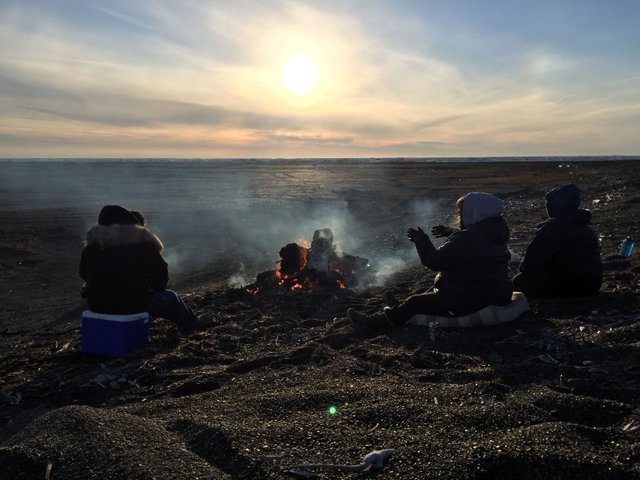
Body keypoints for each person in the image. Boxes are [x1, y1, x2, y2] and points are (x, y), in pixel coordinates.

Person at [348, 192, 513, 328]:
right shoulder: (495, 232)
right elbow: (475, 247)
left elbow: (434, 261)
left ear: (473, 213)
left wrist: (421, 240)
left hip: (471, 299)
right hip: (497, 292)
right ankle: (400, 307)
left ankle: (371, 323)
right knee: (437, 287)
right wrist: (452, 232)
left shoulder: (465, 240)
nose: (459, 216)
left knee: (414, 302)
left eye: (461, 212)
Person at [80, 205, 198, 332]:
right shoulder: (144, 245)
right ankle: (192, 326)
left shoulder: (91, 248)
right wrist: (152, 289)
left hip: (98, 306)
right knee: (170, 298)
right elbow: (160, 278)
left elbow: (83, 274)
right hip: (132, 305)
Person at [512, 183, 602, 298]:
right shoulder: (585, 228)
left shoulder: (551, 228)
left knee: (519, 280)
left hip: (568, 287)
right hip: (593, 285)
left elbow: (530, 265)